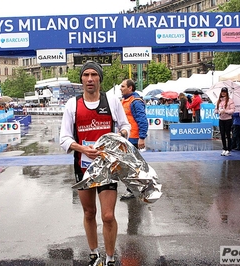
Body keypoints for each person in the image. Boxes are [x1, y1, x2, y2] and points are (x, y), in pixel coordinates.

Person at [59, 61, 131, 266]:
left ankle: (109, 258)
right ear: (81, 79)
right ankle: (94, 254)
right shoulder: (73, 104)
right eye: (86, 75)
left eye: (94, 75)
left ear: (100, 78)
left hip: (107, 166)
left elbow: (125, 125)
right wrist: (82, 149)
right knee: (89, 212)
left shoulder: (112, 101)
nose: (90, 79)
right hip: (83, 166)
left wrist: (122, 134)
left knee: (108, 216)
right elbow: (64, 138)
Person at [119, 79, 148, 200]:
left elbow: (142, 120)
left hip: (134, 138)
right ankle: (139, 187)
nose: (121, 88)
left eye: (123, 86)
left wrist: (142, 137)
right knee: (132, 164)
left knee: (130, 165)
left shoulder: (135, 102)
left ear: (130, 88)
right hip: (128, 138)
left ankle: (133, 189)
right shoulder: (126, 100)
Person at [214, 87, 235, 156]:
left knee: (228, 134)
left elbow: (232, 110)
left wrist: (225, 111)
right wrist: (218, 112)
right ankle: (224, 148)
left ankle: (229, 149)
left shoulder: (230, 101)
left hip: (228, 120)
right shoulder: (219, 101)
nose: (223, 93)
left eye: (224, 92)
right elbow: (216, 110)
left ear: (227, 93)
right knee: (222, 134)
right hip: (221, 119)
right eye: (222, 92)